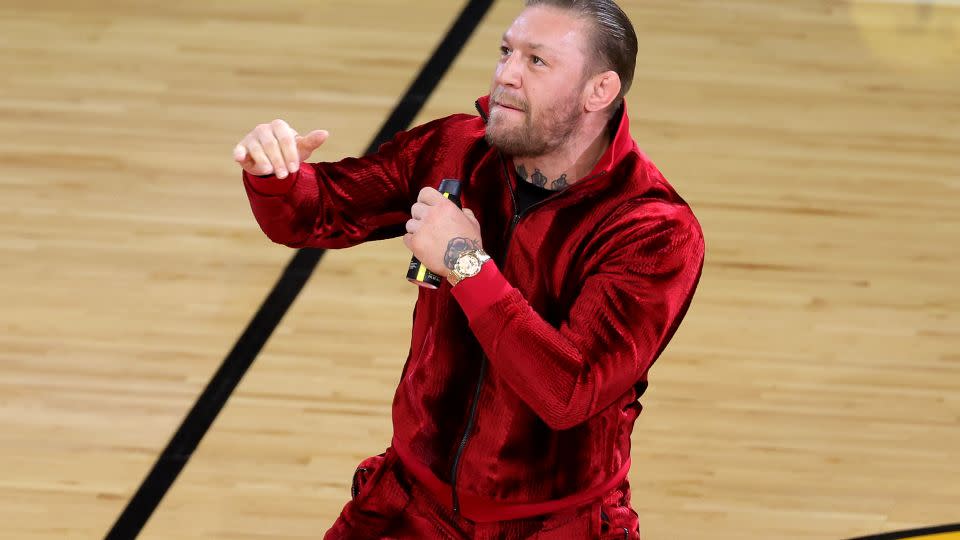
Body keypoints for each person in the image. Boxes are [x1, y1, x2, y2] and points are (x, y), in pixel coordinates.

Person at [233, 1, 704, 538]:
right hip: (409, 507)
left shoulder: (653, 230)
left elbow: (568, 393)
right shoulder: (454, 147)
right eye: (506, 51)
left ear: (599, 91)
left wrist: (465, 263)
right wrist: (275, 174)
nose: (505, 74)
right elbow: (314, 213)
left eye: (537, 62)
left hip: (557, 526)